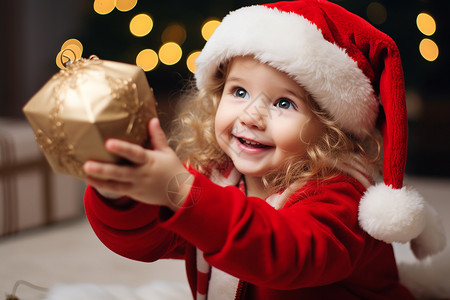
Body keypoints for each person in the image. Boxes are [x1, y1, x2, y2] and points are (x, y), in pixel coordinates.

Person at [83, 0, 445, 299]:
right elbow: (149, 241)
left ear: (329, 131)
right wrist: (121, 194)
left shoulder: (342, 197)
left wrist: (180, 190)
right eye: (239, 92)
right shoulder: (218, 175)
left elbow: (287, 255)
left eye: (284, 103)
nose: (251, 115)